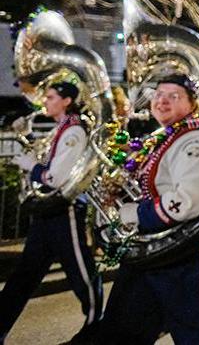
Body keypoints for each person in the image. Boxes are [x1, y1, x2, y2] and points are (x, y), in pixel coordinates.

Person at [98, 74, 199, 344]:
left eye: (173, 96)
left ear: (192, 103)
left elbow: (185, 202)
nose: (162, 101)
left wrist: (134, 213)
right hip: (151, 250)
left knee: (196, 338)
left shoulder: (197, 139)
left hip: (187, 254)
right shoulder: (166, 136)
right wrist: (120, 193)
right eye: (158, 94)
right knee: (119, 331)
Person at [0, 82, 103, 344]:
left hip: (63, 210)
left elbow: (54, 177)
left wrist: (30, 165)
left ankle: (97, 329)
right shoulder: (63, 128)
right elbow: (50, 160)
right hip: (48, 212)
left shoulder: (74, 130)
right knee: (24, 275)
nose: (44, 101)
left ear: (66, 101)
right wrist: (30, 140)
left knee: (81, 273)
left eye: (50, 97)